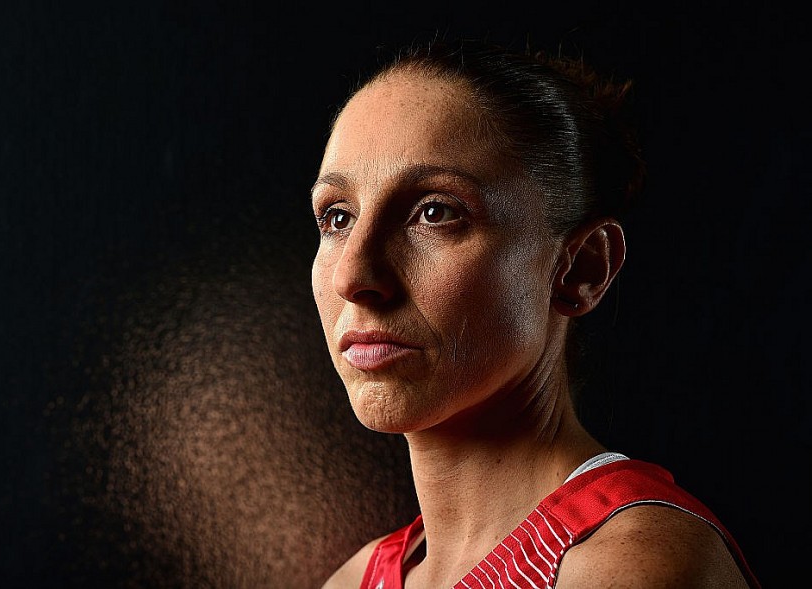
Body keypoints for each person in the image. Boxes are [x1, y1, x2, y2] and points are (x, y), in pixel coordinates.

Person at [310, 39, 760, 589]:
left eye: (435, 212)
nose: (353, 276)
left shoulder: (629, 568)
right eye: (337, 217)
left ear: (581, 269)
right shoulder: (356, 579)